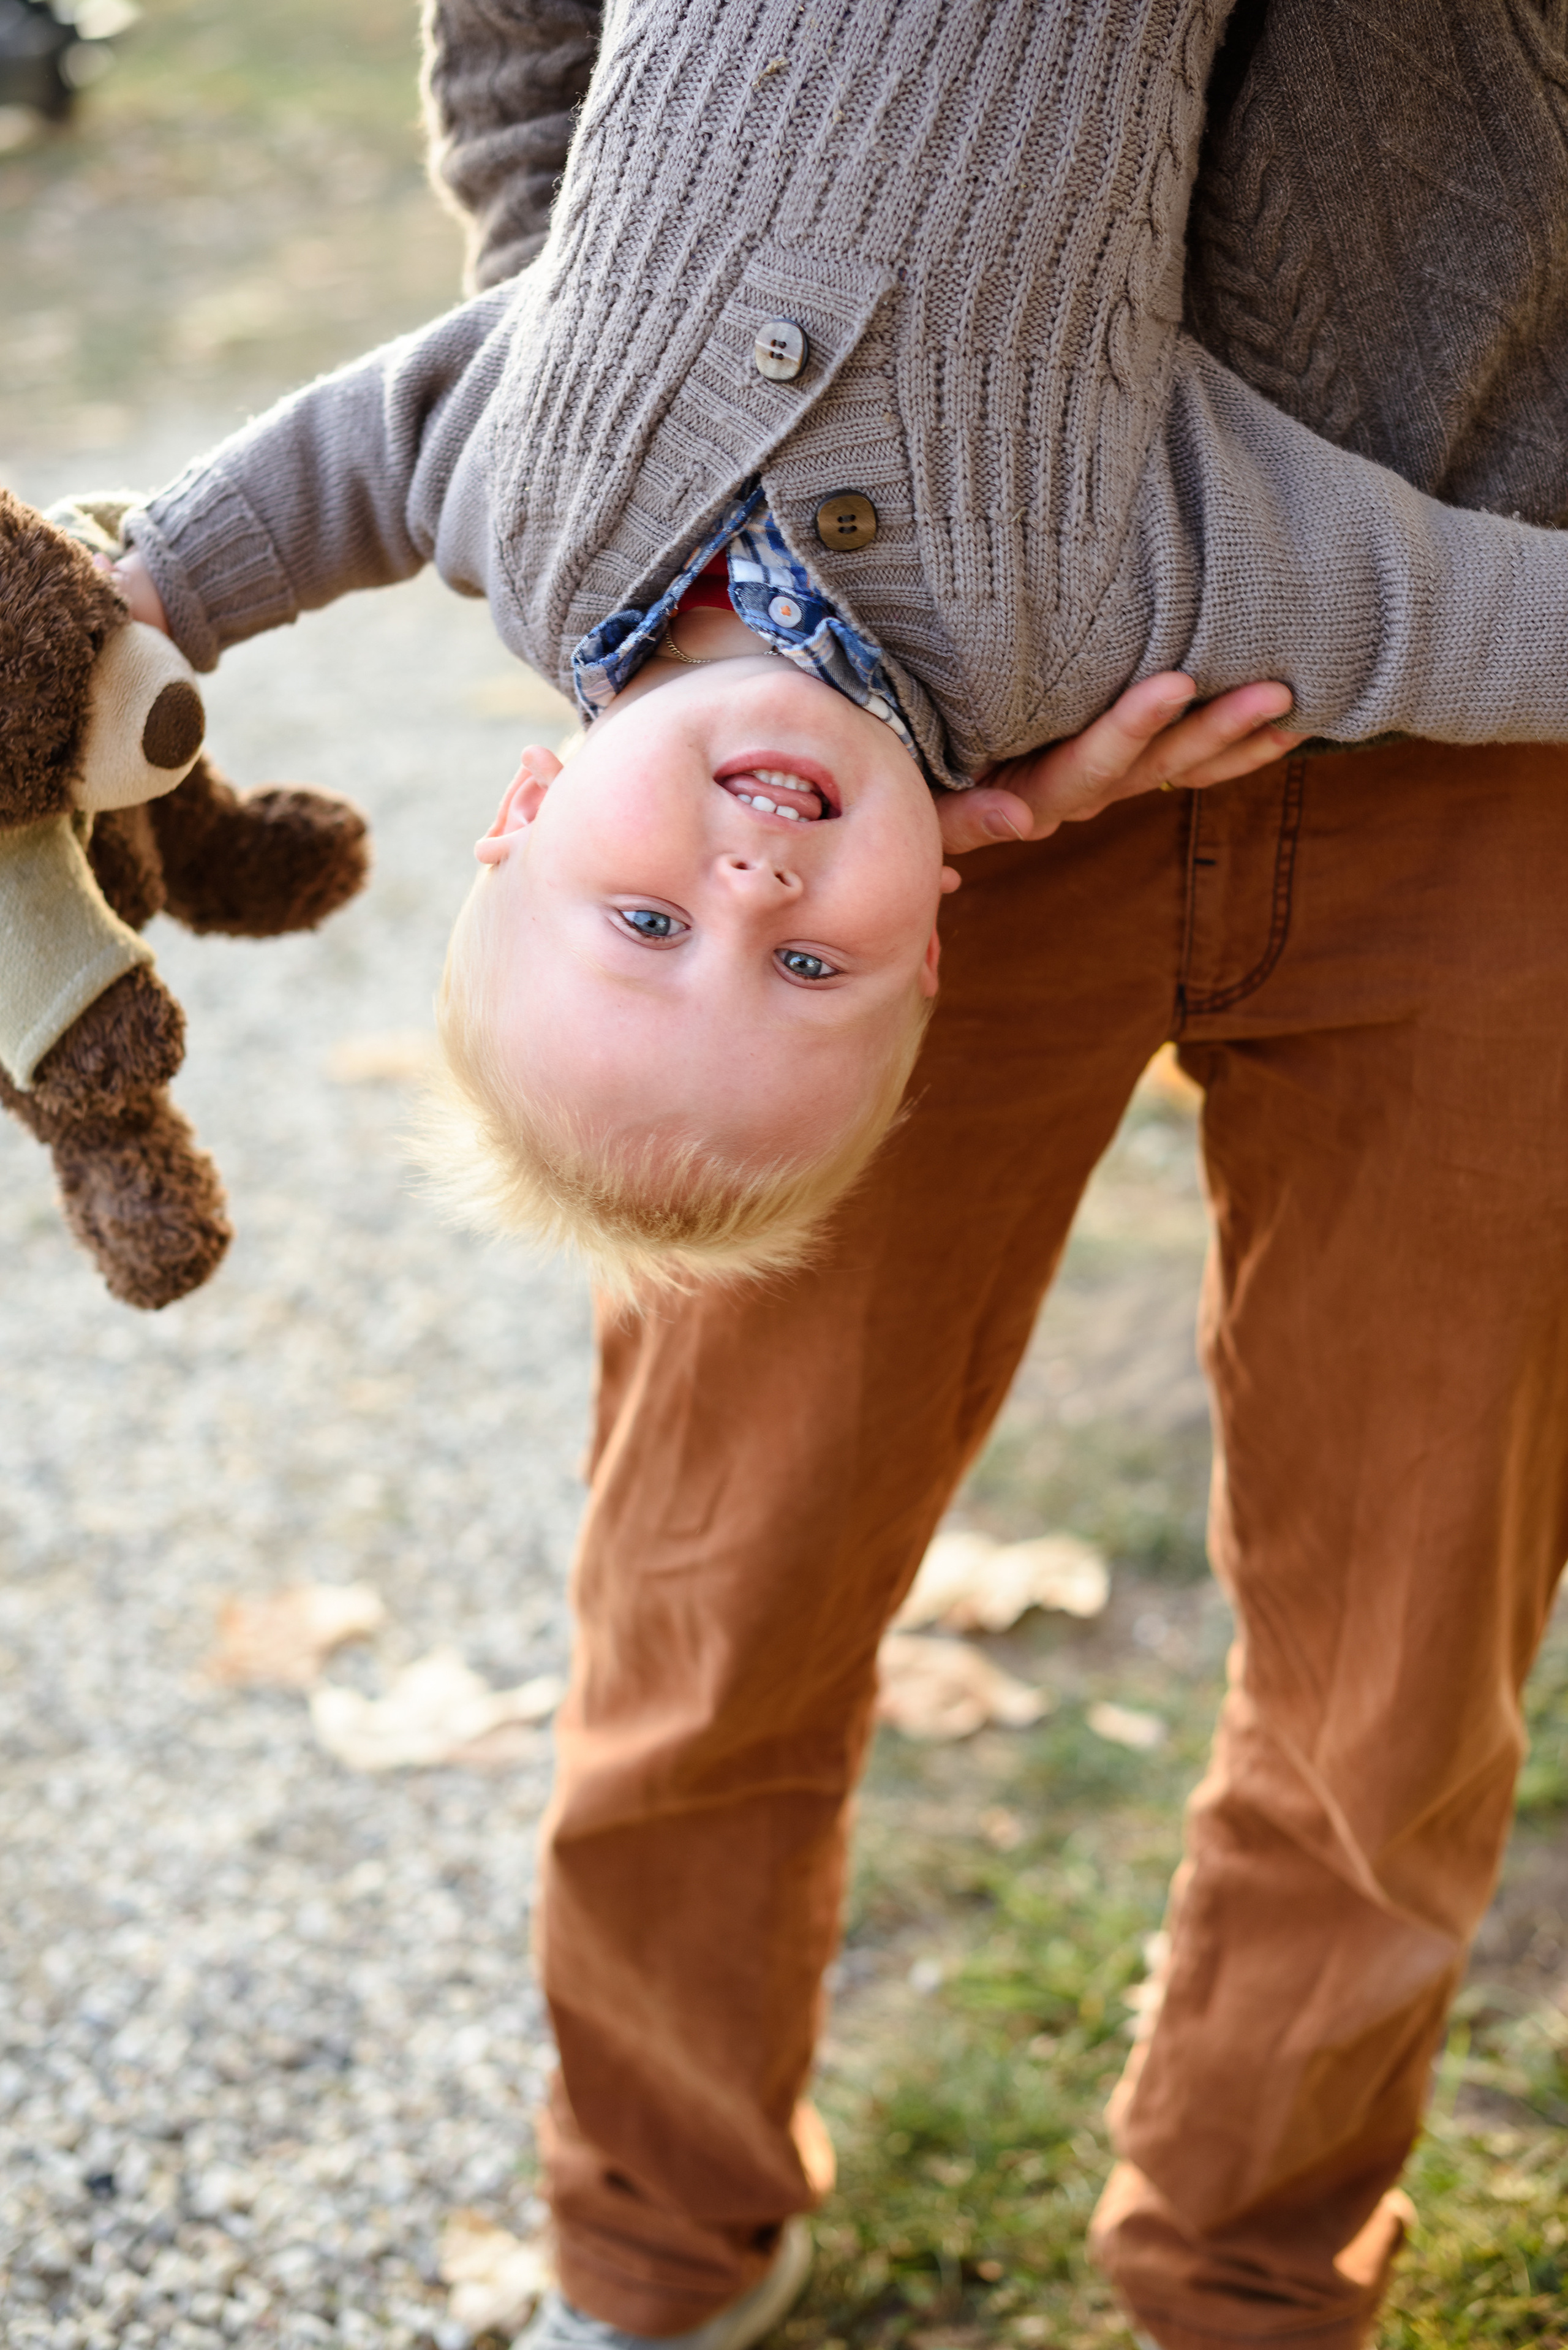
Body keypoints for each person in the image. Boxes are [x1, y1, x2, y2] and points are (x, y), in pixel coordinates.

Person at [89, 0, 1568, 2337]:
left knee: (1406, 1638)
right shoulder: (743, 888)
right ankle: (660, 2242)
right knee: (725, 1581)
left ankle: (1252, 2273)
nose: (720, 916)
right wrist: (617, 377)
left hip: (1495, 618)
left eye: (668, 921)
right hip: (899, 770)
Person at [105, 0, 1568, 1295]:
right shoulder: (1081, 624)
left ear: (526, 810)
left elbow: (348, 461)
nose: (750, 890)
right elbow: (1426, 615)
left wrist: (137, 599)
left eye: (649, 926)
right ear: (927, 936)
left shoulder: (519, 518)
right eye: (810, 964)